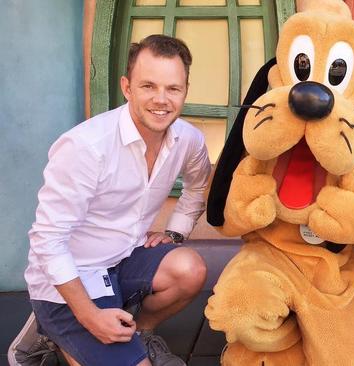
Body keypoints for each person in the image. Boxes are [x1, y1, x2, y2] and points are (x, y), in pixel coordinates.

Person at [8, 34, 212, 366]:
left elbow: (197, 186)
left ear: (185, 91)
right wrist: (89, 316)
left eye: (173, 89)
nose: (161, 100)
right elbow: (47, 240)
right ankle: (53, 328)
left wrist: (175, 232)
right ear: (127, 87)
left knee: (189, 268)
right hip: (72, 276)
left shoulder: (188, 140)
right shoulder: (86, 146)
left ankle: (138, 334)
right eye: (148, 86)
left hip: (123, 258)